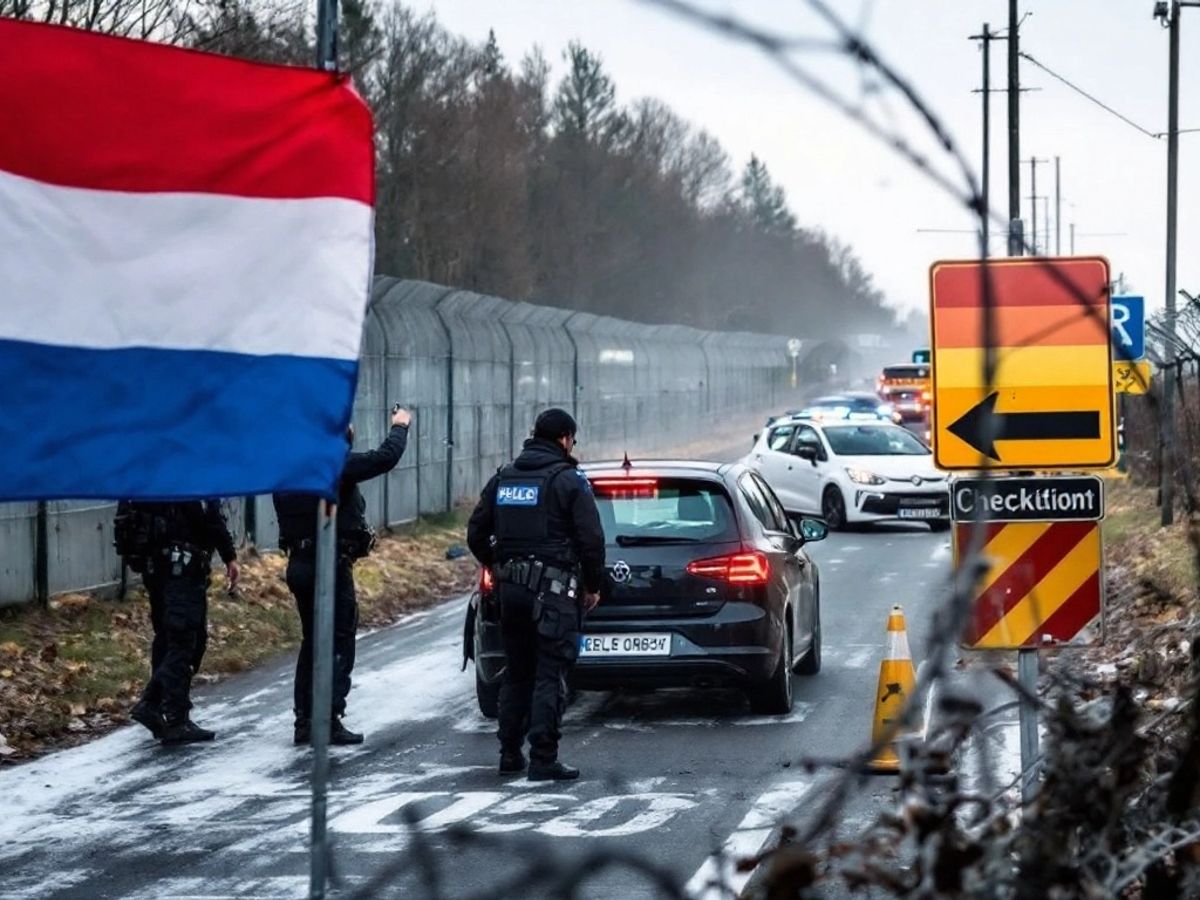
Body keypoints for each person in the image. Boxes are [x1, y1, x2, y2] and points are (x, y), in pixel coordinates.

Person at [467, 408, 605, 781]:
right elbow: (591, 540)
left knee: (517, 673)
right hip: (555, 594)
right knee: (549, 674)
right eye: (572, 440)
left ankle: (510, 754)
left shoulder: (504, 478)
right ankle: (543, 758)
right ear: (564, 439)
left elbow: (475, 533)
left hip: (510, 594)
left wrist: (497, 565)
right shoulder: (568, 480)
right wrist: (594, 585)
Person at [274, 405, 411, 746]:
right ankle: (328, 718)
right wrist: (400, 426)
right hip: (328, 565)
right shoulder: (329, 464)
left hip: (300, 563)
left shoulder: (291, 468)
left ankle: (304, 720)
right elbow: (384, 458)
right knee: (337, 641)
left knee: (312, 642)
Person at [120, 501, 240, 744]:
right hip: (182, 568)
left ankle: (158, 708)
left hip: (155, 567)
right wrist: (229, 556)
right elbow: (209, 517)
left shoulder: (153, 474)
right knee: (185, 641)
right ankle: (172, 716)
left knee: (167, 637)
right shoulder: (190, 471)